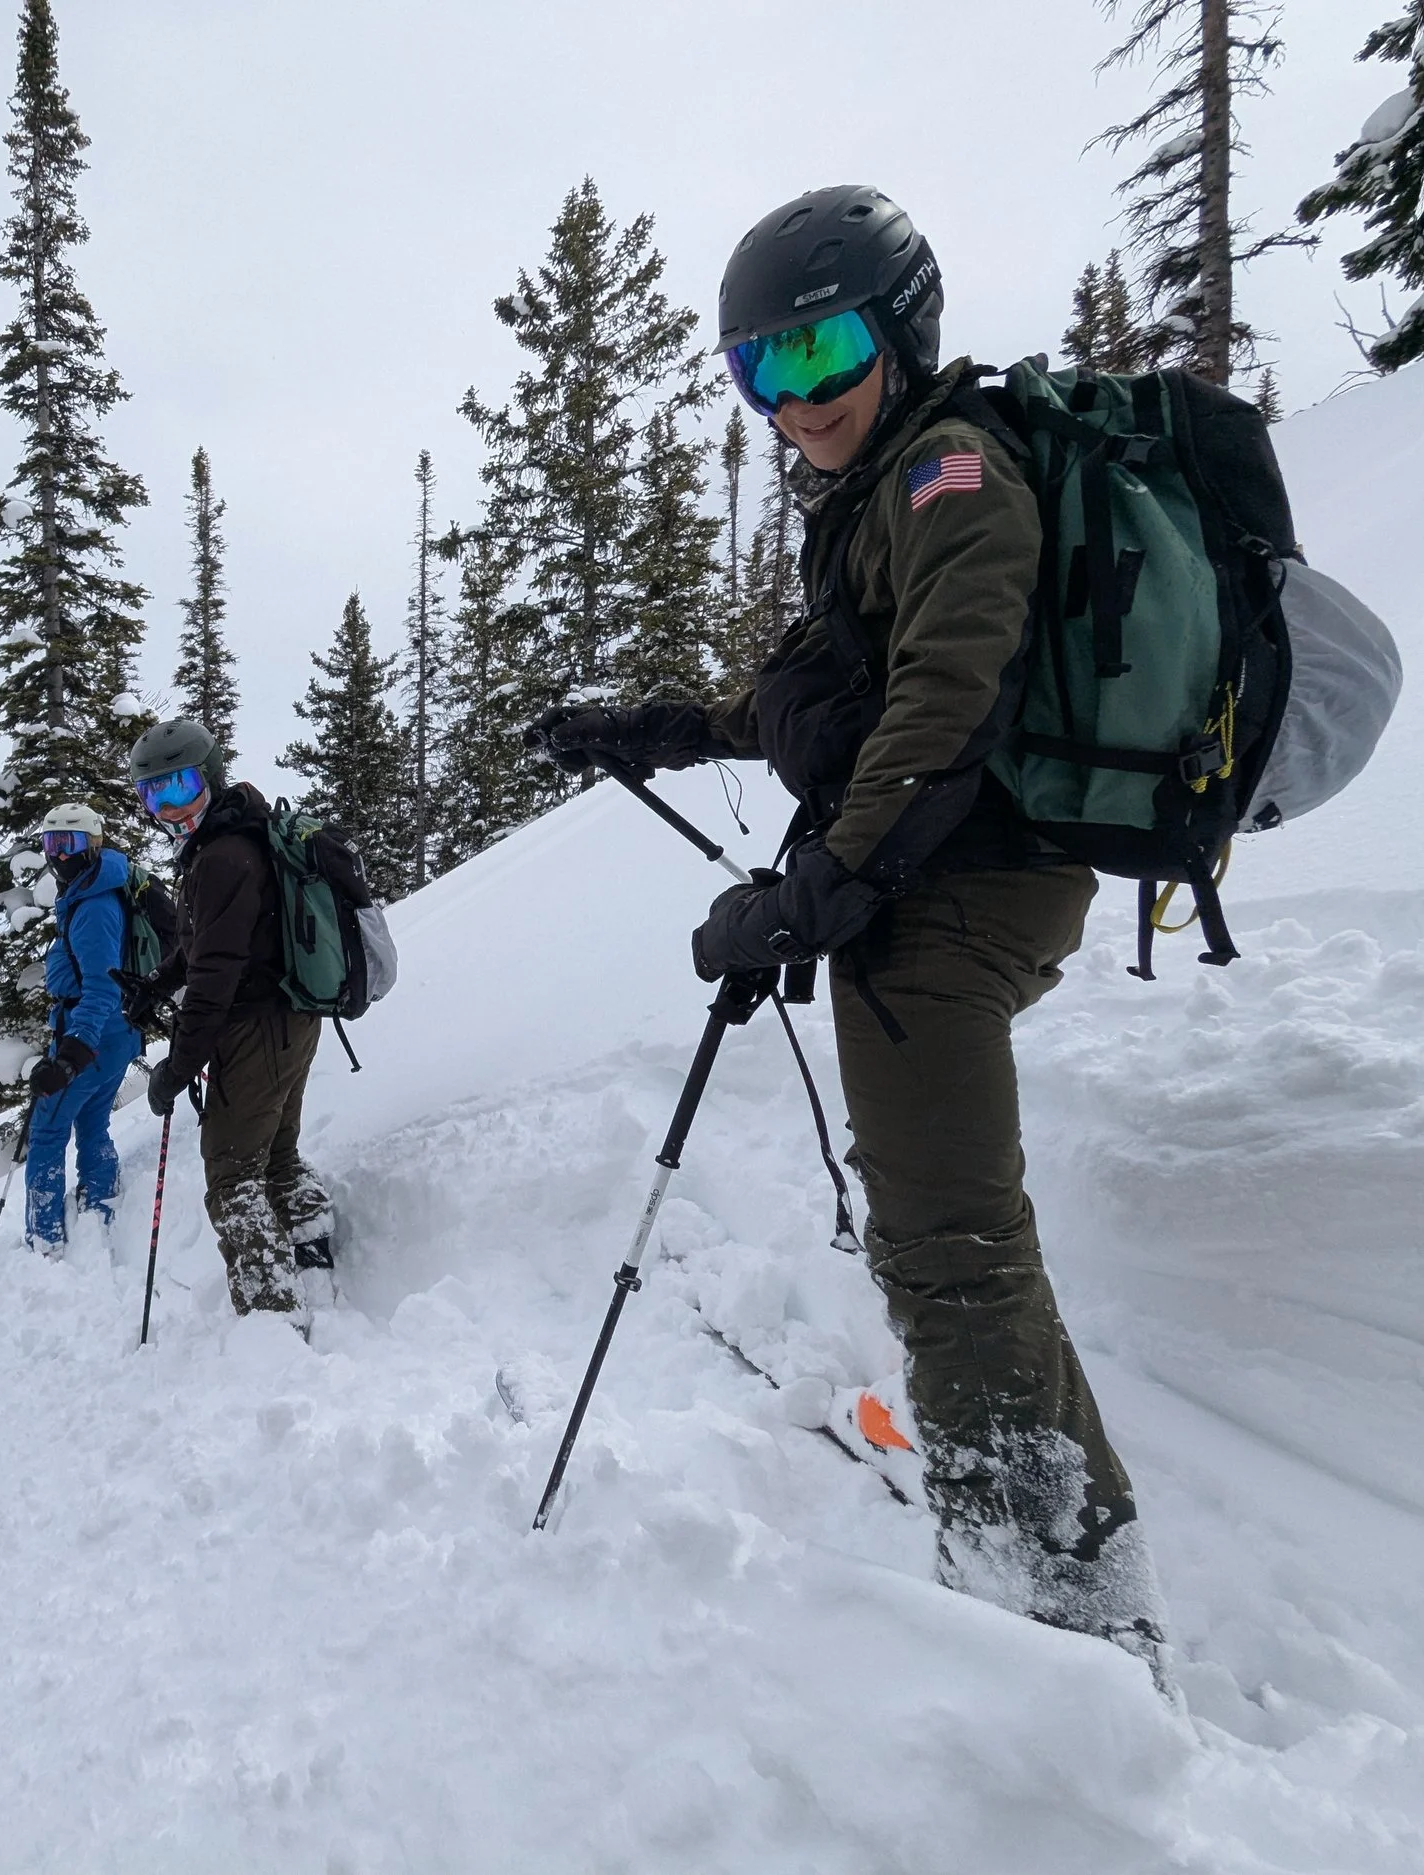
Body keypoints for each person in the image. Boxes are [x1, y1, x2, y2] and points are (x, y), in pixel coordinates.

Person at [532, 185, 1164, 1663]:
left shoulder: (948, 473)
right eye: (762, 370)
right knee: (954, 1241)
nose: (793, 398)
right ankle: (1072, 1547)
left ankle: (1051, 1606)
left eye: (821, 355)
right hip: (921, 887)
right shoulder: (881, 491)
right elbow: (822, 691)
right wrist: (664, 725)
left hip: (962, 892)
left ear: (902, 329)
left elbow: (949, 702)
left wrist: (813, 892)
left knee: (951, 1251)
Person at [128, 719, 332, 1317]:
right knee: (277, 1154)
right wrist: (156, 982)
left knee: (233, 1179)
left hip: (254, 1033)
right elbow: (205, 945)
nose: (170, 807)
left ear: (211, 778)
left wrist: (177, 1067)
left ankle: (274, 1318)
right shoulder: (240, 833)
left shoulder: (221, 856)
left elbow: (214, 981)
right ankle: (313, 1248)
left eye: (181, 786)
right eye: (153, 794)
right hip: (292, 1019)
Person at [22, 802, 147, 1253]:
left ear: (92, 846)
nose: (58, 856)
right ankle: (100, 1204)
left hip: (94, 1034)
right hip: (112, 1033)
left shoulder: (94, 905)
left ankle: (45, 1236)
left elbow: (101, 985)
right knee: (93, 1121)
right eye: (50, 844)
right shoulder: (92, 890)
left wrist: (74, 1051)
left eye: (68, 844)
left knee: (48, 1130)